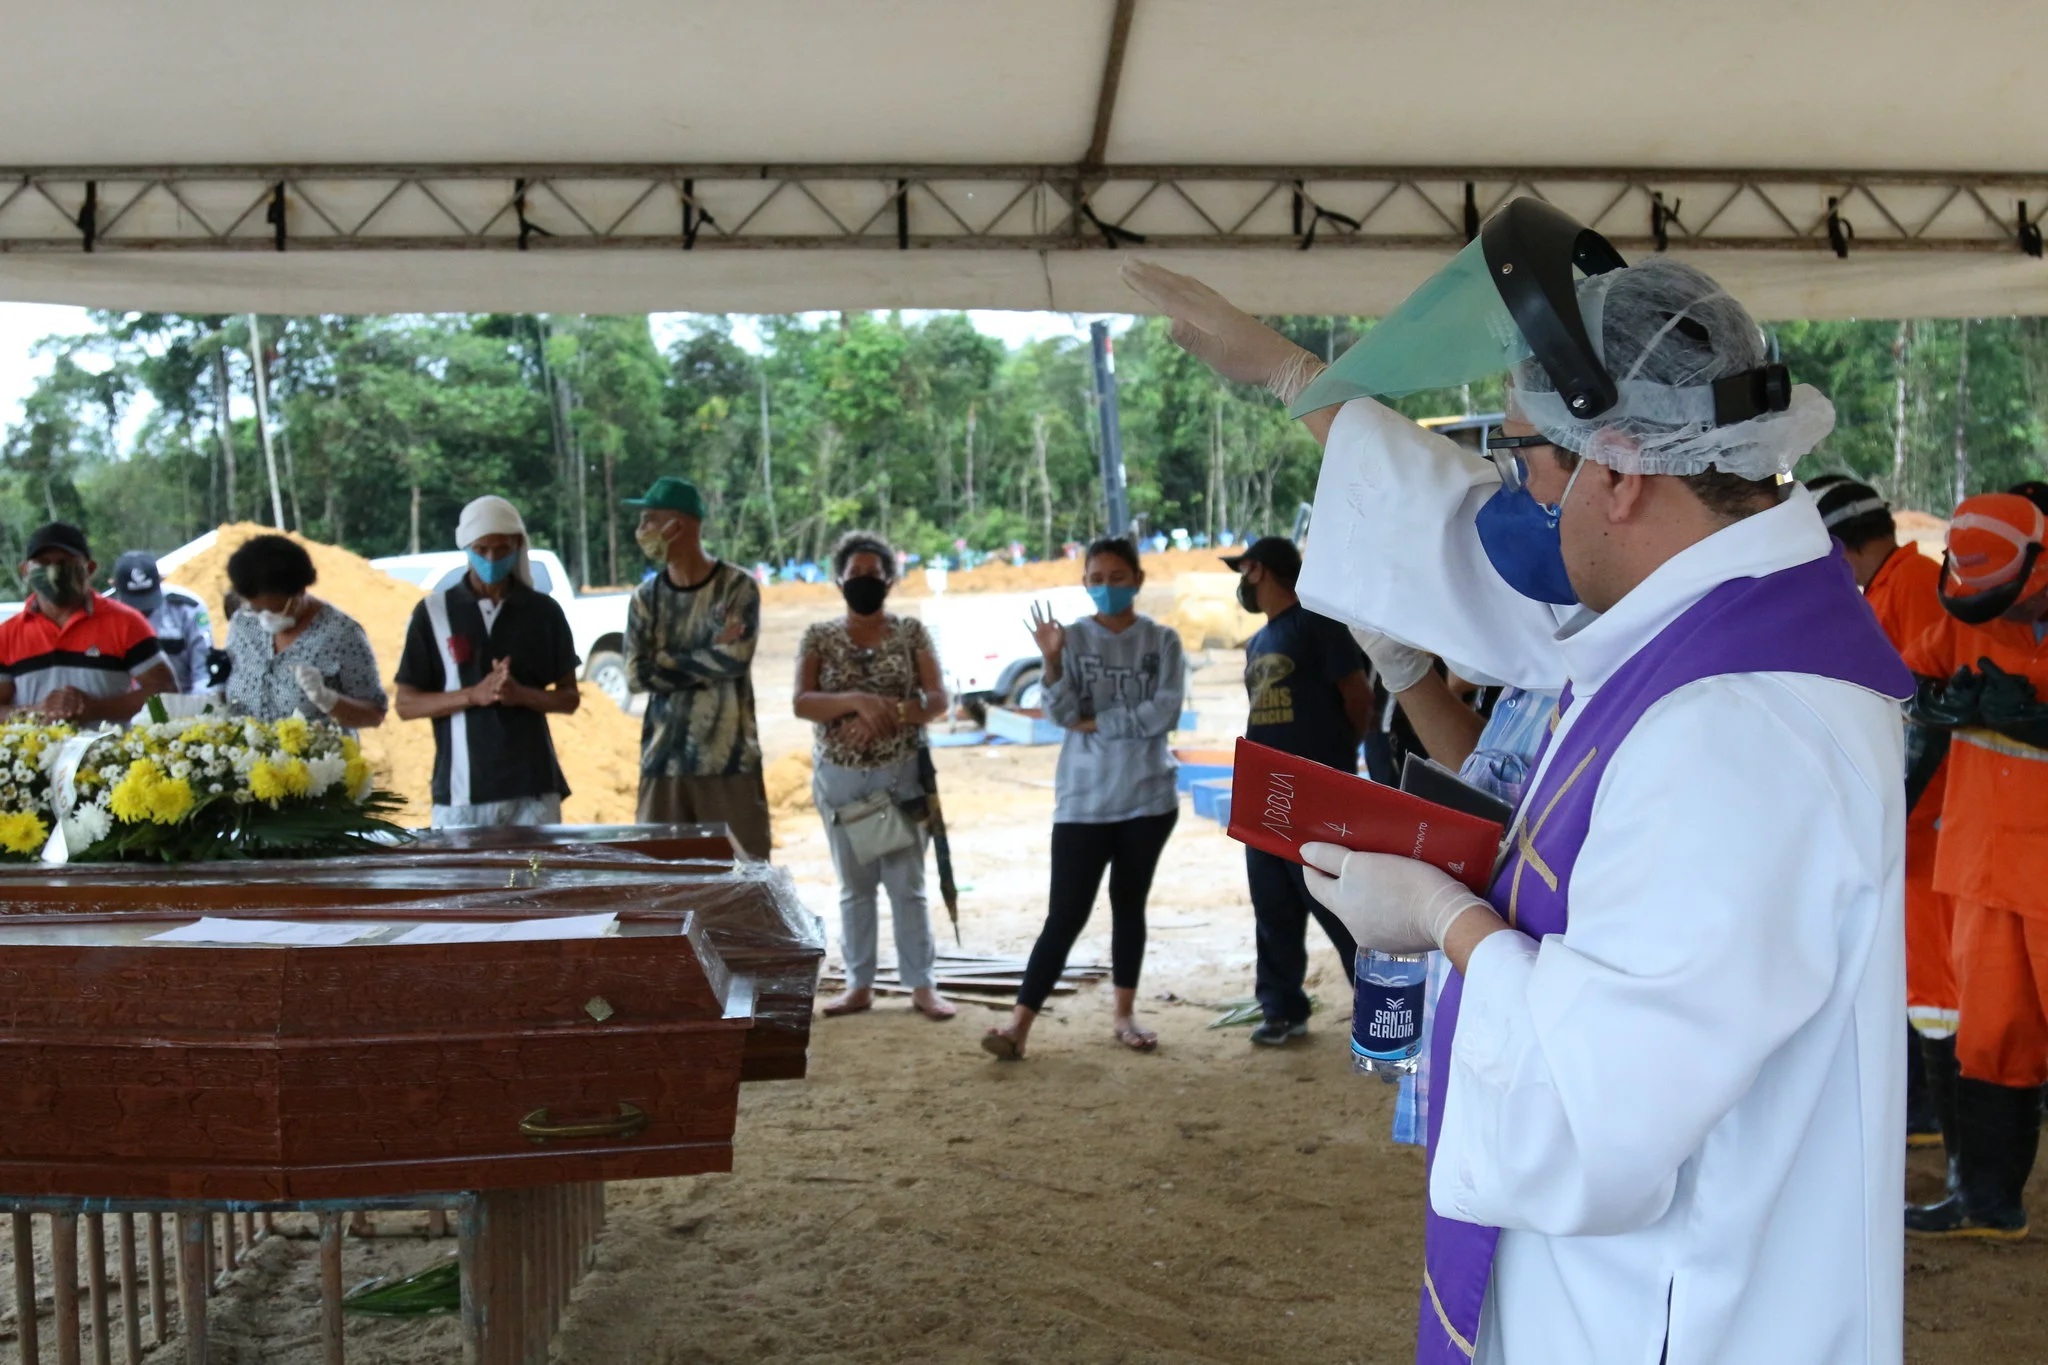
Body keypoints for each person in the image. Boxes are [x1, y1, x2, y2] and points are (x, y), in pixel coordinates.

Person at [1125, 201, 1909, 1365]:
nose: (1505, 493)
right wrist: (1294, 377)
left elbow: (1596, 1105)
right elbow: (1483, 559)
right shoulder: (1706, 620)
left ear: (1622, 474)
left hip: (1673, 1310)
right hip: (1648, 1288)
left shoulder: (1732, 725)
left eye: (1519, 455)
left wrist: (1446, 922)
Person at [1900, 491, 2048, 1239]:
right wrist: (1934, 698)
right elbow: (1899, 680)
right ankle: (1987, 1201)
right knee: (1989, 1037)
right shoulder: (1959, 622)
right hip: (1984, 868)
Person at [982, 537, 1185, 1060]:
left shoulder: (1163, 642)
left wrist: (1095, 722)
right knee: (1065, 913)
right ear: (1085, 584)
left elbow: (1163, 714)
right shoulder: (1068, 639)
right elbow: (1060, 714)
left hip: (1148, 799)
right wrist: (1051, 663)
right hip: (1082, 799)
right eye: (1096, 578)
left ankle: (1124, 1015)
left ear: (1138, 580)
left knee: (1128, 906)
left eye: (1118, 577)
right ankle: (1017, 1028)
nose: (1107, 587)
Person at [1815, 479, 1962, 1160]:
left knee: (1935, 970)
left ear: (1840, 546)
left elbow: (1921, 705)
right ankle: (1926, 1104)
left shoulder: (1913, 586)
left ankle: (1936, 1110)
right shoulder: (1890, 584)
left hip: (1930, 814)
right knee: (1914, 964)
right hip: (1912, 811)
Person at [794, 530, 954, 1021]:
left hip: (898, 778)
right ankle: (859, 984)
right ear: (839, 579)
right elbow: (803, 702)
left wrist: (887, 714)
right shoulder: (818, 636)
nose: (864, 580)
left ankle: (922, 986)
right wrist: (857, 703)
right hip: (841, 782)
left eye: (873, 574)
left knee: (907, 885)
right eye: (855, 574)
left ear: (889, 579)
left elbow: (938, 700)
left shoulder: (911, 633)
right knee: (854, 886)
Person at [1225, 534, 1374, 1046]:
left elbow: (1358, 696)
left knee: (1334, 901)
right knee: (1272, 901)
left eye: (1242, 573)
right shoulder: (1258, 641)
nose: (1241, 585)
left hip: (1314, 787)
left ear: (1258, 570)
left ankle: (1381, 1008)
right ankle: (1282, 1007)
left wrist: (1333, 763)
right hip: (1264, 789)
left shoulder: (1319, 623)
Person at [394, 496, 581, 828]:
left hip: (533, 789)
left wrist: (521, 695)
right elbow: (406, 704)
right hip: (461, 793)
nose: (492, 559)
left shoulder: (543, 612)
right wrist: (472, 695)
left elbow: (569, 698)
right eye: (481, 550)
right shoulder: (433, 613)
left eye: (502, 549)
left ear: (518, 546)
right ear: (465, 547)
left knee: (536, 879)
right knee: (466, 881)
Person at [623, 476, 770, 859]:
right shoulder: (646, 598)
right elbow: (636, 675)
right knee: (662, 887)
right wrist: (708, 653)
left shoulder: (736, 587)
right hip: (662, 767)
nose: (642, 531)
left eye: (649, 519)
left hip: (729, 763)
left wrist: (664, 660)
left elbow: (734, 659)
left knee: (742, 885)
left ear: (680, 525)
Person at [0, 522, 175, 722]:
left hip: (109, 751)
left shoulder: (126, 623)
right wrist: (37, 711)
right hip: (33, 752)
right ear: (25, 571)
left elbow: (166, 692)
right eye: (44, 562)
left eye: (65, 562)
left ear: (90, 568)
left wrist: (96, 709)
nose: (54, 571)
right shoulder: (7, 635)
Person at [221, 533, 387, 728]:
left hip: (314, 756)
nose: (263, 618)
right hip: (246, 755)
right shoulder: (243, 622)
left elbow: (374, 715)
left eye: (273, 609)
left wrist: (328, 700)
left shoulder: (341, 634)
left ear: (299, 592)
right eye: (255, 609)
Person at [110, 550, 211, 694]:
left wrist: (198, 710)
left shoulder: (189, 608)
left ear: (161, 580)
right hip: (130, 705)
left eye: (146, 599)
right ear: (114, 586)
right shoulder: (105, 618)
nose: (142, 611)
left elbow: (203, 673)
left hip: (183, 700)